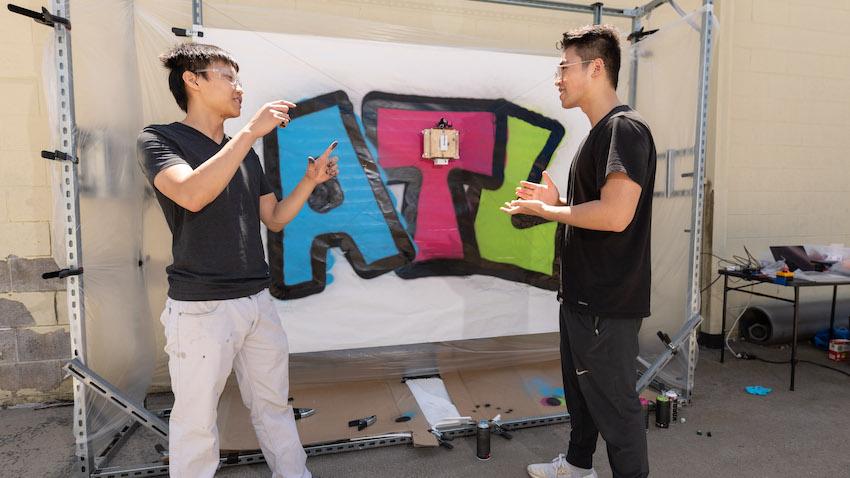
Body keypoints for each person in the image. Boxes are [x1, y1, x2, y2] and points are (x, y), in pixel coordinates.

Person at [138, 42, 338, 478]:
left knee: (273, 406)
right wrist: (249, 132)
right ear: (192, 80)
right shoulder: (159, 139)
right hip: (201, 307)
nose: (239, 88)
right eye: (227, 76)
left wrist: (309, 181)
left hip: (257, 301)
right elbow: (191, 194)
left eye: (238, 78)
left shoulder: (242, 153)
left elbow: (275, 218)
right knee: (195, 422)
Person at [501, 24, 656, 478]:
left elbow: (615, 215)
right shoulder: (596, 134)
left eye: (565, 67)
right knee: (583, 396)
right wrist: (559, 204)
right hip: (582, 297)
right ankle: (577, 465)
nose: (558, 78)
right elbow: (595, 209)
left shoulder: (625, 130)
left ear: (597, 68)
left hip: (607, 302)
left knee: (617, 407)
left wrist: (550, 213)